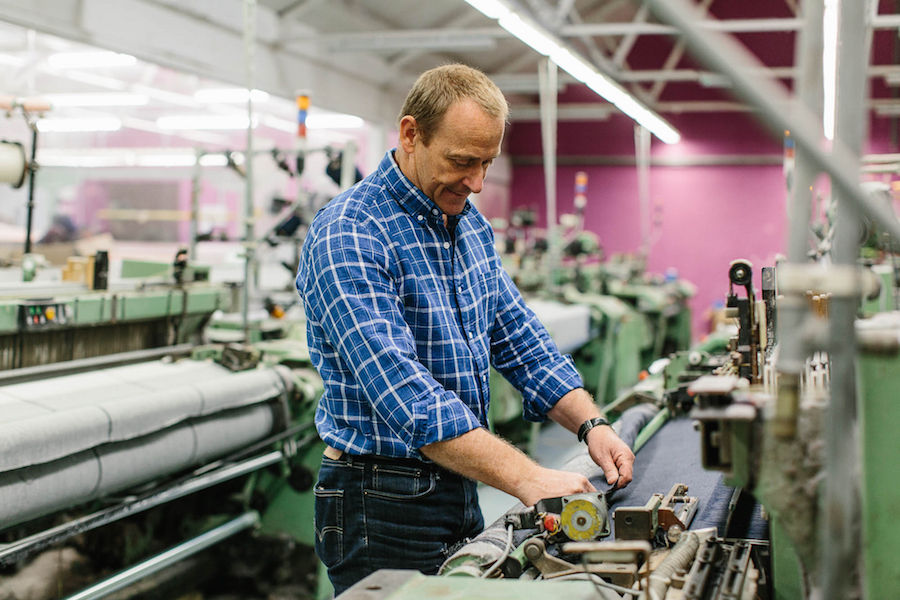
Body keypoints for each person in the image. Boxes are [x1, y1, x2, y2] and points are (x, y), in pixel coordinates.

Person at [296, 63, 634, 596]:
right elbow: (407, 397)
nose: (477, 183)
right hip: (380, 500)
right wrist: (529, 478)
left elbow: (519, 337)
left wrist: (593, 425)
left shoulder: (467, 221)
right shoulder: (350, 232)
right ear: (411, 135)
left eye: (487, 163)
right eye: (462, 161)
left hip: (457, 482)